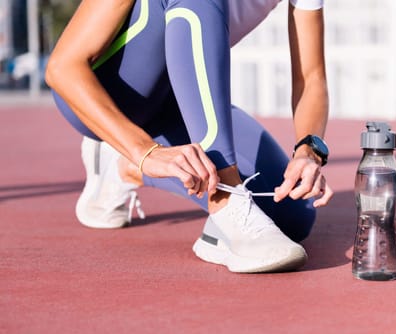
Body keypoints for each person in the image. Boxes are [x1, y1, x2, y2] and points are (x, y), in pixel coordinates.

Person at [45, 0, 332, 273]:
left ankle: (121, 167)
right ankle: (226, 202)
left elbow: (310, 77)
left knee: (293, 214)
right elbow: (63, 68)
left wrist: (309, 150)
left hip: (177, 101)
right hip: (108, 96)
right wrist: (144, 150)